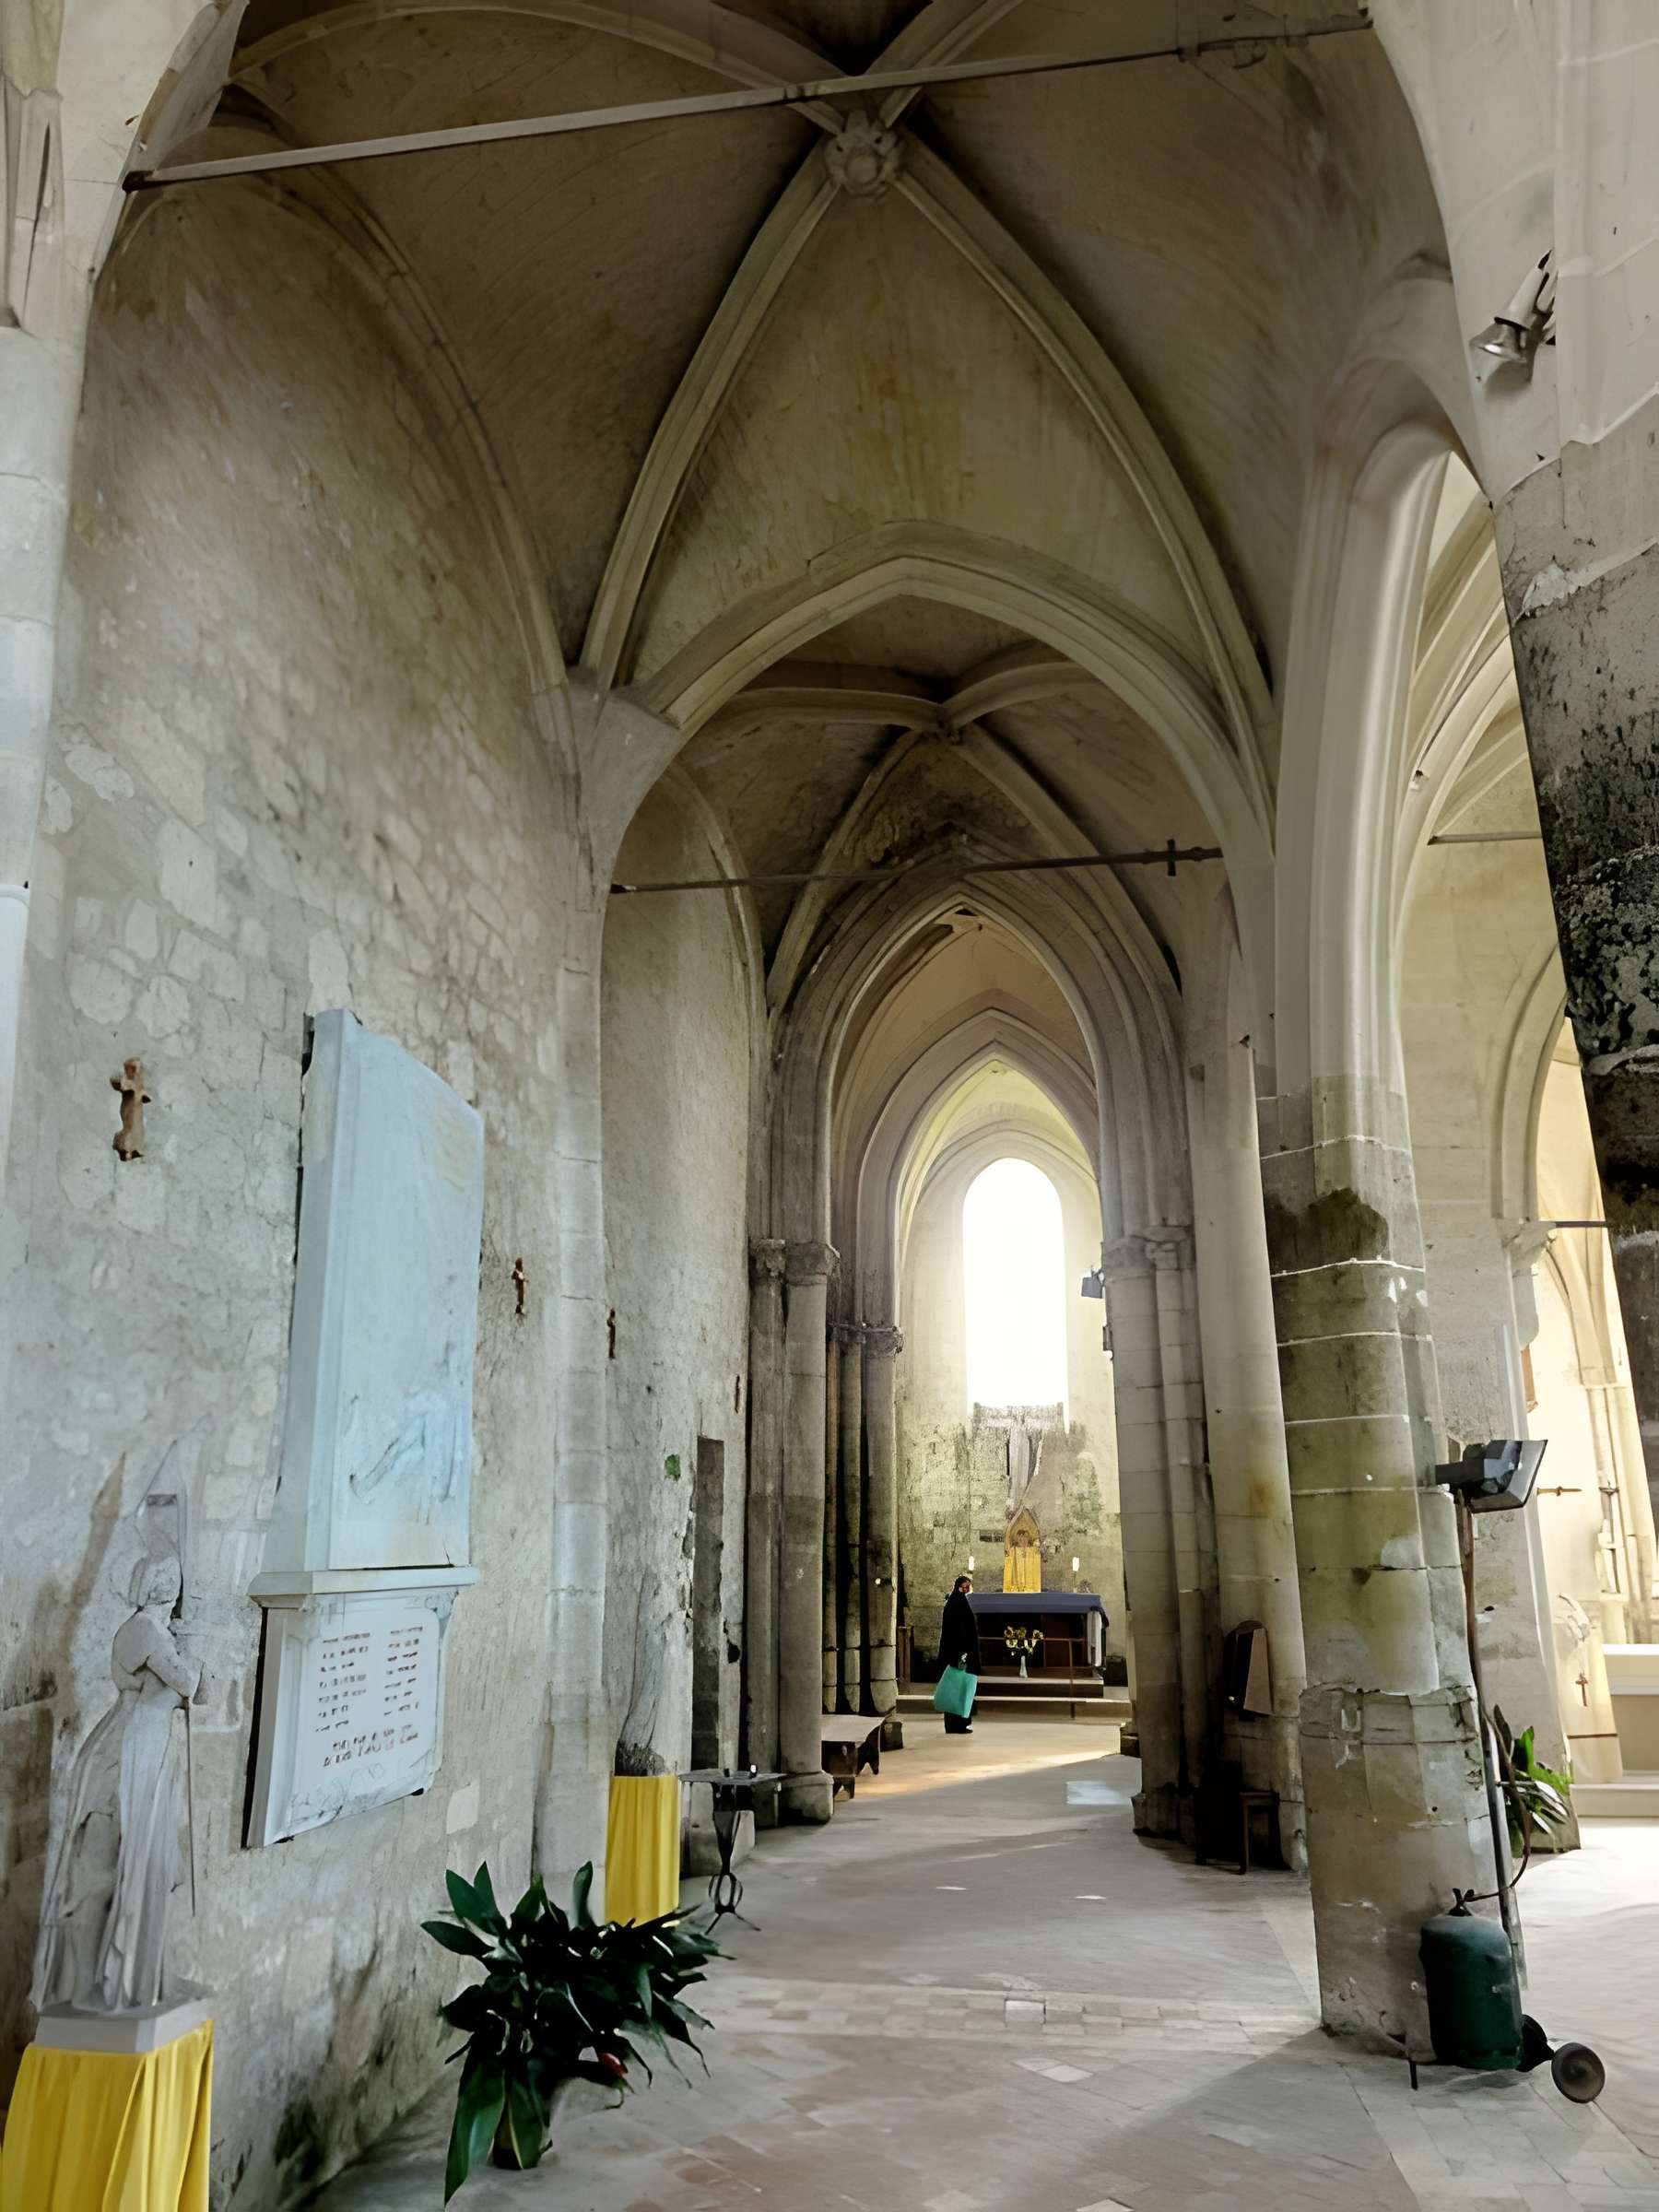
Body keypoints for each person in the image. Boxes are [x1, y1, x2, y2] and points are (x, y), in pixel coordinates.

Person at [938, 1573, 979, 1735]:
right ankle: (957, 1724)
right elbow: (959, 1631)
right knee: (958, 1689)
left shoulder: (955, 1601)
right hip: (958, 1654)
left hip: (956, 1653)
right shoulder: (958, 1603)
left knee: (957, 1689)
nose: (968, 1588)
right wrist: (963, 1653)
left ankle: (956, 1724)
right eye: (966, 1586)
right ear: (960, 1587)